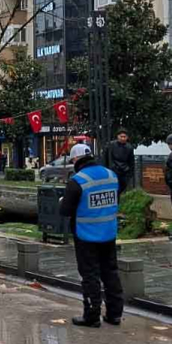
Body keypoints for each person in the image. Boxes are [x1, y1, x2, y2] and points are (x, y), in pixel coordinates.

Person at [59, 143, 124, 328]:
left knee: (90, 275)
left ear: (76, 159)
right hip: (108, 232)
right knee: (111, 272)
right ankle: (114, 314)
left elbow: (66, 210)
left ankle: (92, 315)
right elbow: (114, 200)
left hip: (86, 235)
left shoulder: (77, 181)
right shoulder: (111, 175)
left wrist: (63, 201)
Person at [108, 129, 135, 194]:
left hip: (124, 172)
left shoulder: (129, 147)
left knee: (121, 189)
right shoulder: (111, 145)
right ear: (118, 136)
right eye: (121, 136)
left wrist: (130, 173)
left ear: (127, 137)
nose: (123, 138)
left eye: (124, 137)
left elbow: (131, 161)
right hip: (113, 170)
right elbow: (107, 158)